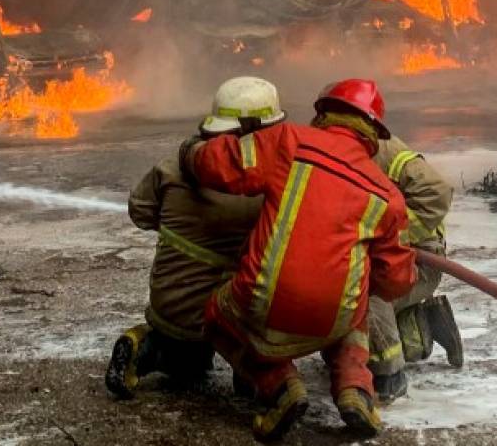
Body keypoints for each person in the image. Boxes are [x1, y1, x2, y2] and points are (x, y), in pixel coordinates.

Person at [184, 77, 415, 442]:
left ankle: (278, 382)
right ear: (373, 130)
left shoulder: (289, 141)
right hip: (333, 322)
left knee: (215, 316)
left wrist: (191, 153)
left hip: (263, 304)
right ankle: (356, 389)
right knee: (356, 305)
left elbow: (223, 165)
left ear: (323, 114)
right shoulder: (387, 194)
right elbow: (396, 280)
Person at [105, 76, 278, 399]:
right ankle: (253, 374)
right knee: (259, 349)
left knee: (185, 364)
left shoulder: (173, 167)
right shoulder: (275, 181)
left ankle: (143, 345)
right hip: (237, 315)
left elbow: (140, 212)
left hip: (173, 305)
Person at [365, 133, 464, 401]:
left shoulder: (387, 153)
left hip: (419, 259)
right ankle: (419, 318)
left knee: (368, 294)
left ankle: (390, 376)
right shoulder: (336, 149)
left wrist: (393, 237)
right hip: (382, 255)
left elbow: (438, 193)